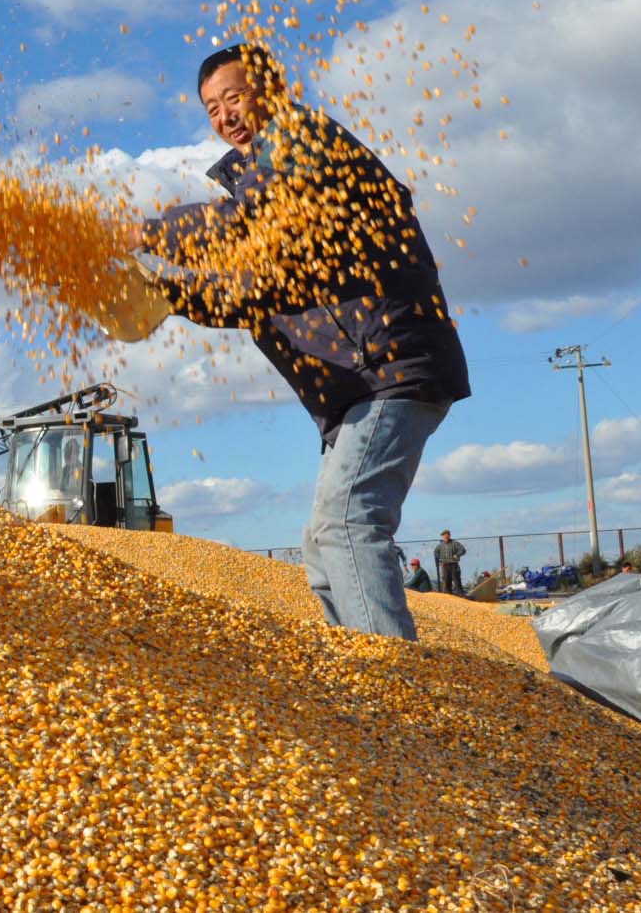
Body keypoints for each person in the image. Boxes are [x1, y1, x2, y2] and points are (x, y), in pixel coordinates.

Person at [128, 42, 470, 640]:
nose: (225, 116)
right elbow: (255, 291)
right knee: (320, 547)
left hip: (388, 365)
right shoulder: (263, 193)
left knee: (347, 523)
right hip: (355, 388)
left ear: (271, 89)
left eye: (234, 97)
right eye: (211, 107)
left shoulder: (303, 143)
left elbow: (241, 228)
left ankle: (401, 687)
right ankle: (365, 671)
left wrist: (148, 234)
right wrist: (166, 296)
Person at [435, 530, 468, 596]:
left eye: (446, 535)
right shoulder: (440, 545)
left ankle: (460, 595)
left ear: (449, 535)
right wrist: (440, 560)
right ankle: (448, 597)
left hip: (453, 564)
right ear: (442, 536)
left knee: (456, 580)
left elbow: (463, 550)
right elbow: (435, 552)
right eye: (443, 535)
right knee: (446, 581)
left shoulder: (455, 543)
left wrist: (457, 555)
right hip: (445, 565)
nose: (445, 536)